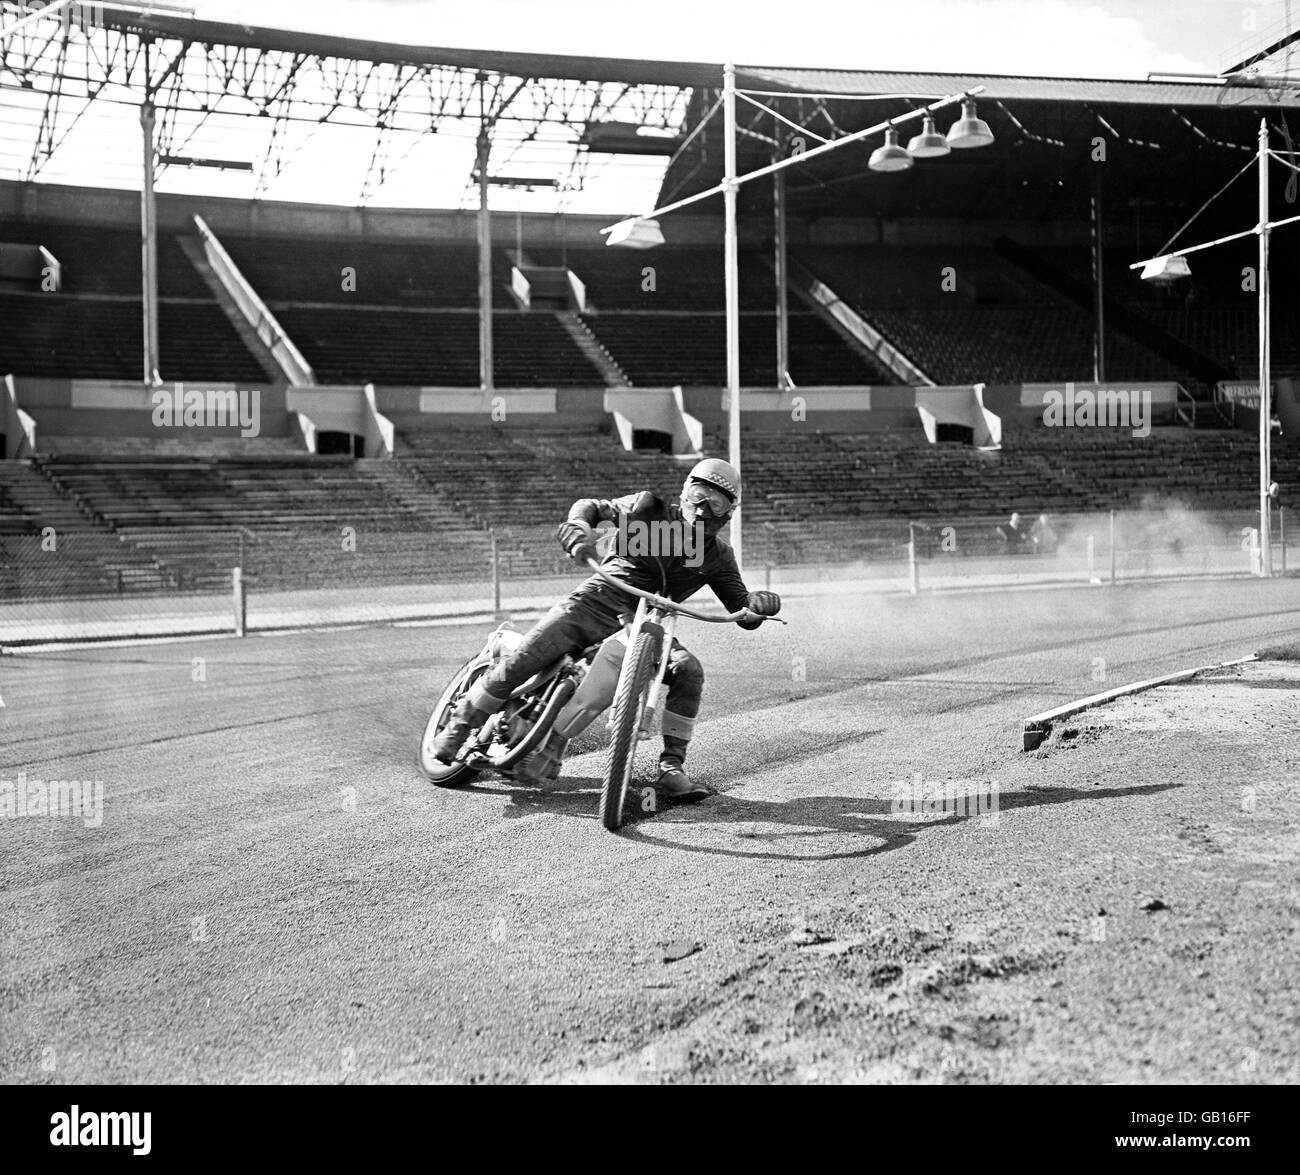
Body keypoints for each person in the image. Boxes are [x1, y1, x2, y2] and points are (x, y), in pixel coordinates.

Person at [430, 458, 782, 801]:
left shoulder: (718, 556)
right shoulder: (648, 510)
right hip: (597, 601)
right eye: (697, 496)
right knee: (526, 656)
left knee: (688, 669)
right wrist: (578, 527)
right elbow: (591, 507)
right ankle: (459, 726)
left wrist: (758, 605)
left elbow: (741, 610)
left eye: (715, 502)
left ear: (729, 512)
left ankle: (671, 766)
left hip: (649, 624)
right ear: (684, 492)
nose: (703, 509)